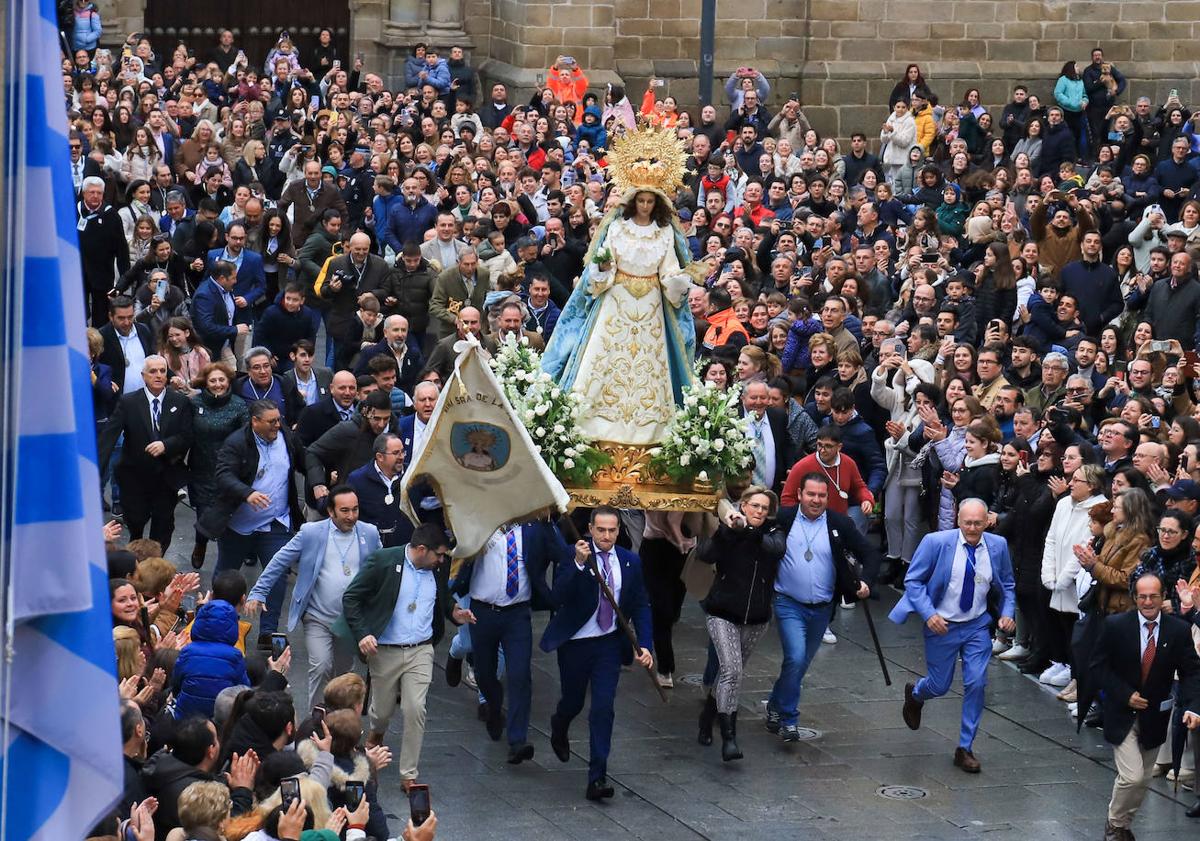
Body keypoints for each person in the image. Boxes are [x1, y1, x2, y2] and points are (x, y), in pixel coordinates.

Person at [542, 133, 698, 446]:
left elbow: (668, 268)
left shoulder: (665, 232)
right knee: (603, 363)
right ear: (632, 200)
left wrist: (677, 280)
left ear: (657, 203)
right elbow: (602, 267)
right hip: (616, 301)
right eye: (640, 200)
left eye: (650, 201)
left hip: (652, 305)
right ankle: (591, 428)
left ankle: (651, 433)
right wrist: (600, 269)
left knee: (650, 368)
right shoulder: (617, 227)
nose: (644, 205)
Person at [341, 522, 467, 790]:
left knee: (415, 708)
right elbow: (351, 597)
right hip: (385, 650)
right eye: (439, 555)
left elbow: (442, 597)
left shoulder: (437, 568)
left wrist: (454, 611)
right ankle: (377, 731)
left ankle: (408, 774)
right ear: (422, 550)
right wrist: (363, 633)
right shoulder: (384, 561)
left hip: (421, 649)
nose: (442, 560)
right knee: (382, 710)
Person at [894, 498, 1016, 773]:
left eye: (978, 523)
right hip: (942, 624)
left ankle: (965, 747)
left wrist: (1008, 613)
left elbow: (1007, 583)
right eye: (967, 523)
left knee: (976, 683)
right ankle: (916, 694)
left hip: (976, 625)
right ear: (958, 521)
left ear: (987, 522)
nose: (972, 528)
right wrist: (929, 614)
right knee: (939, 685)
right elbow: (913, 581)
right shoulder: (936, 542)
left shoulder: (997, 546)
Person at [540, 507, 653, 801]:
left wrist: (647, 646)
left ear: (619, 531)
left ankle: (597, 776)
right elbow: (558, 596)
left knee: (603, 708)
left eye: (611, 530)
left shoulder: (630, 562)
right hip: (576, 643)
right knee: (573, 701)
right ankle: (560, 723)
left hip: (608, 645)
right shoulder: (573, 554)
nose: (606, 536)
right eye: (600, 530)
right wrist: (578, 564)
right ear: (590, 529)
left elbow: (641, 603)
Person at [246, 486, 381, 709]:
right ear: (331, 511)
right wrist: (259, 591)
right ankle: (316, 720)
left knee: (342, 674)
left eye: (355, 510)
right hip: (317, 616)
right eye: (345, 511)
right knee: (320, 666)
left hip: (350, 621)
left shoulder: (369, 533)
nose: (351, 516)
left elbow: (381, 569)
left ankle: (340, 722)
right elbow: (280, 560)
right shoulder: (311, 532)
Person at [766, 473, 876, 741]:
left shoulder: (839, 523)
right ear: (800, 495)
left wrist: (865, 581)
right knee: (795, 657)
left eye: (822, 495)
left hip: (822, 609)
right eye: (811, 494)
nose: (816, 500)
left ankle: (774, 705)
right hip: (788, 602)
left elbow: (871, 553)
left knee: (799, 663)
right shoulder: (784, 519)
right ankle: (789, 720)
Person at [1092, 570, 1200, 839]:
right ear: (1134, 598)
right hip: (1122, 714)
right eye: (1142, 597)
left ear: (1163, 596)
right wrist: (1123, 694)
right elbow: (1097, 667)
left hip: (1155, 716)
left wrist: (1194, 706)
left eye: (1153, 596)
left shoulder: (1178, 630)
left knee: (1144, 779)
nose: (1148, 602)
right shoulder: (1116, 626)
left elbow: (1192, 672)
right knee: (1132, 777)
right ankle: (1115, 823)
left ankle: (1124, 826)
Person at [198, 400, 307, 650]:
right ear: (254, 422)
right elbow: (223, 475)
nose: (277, 425)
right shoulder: (236, 443)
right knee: (226, 576)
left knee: (277, 575)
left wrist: (320, 479)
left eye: (279, 420)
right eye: (271, 422)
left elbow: (305, 459)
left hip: (276, 522)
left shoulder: (286, 437)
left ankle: (267, 631)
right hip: (238, 524)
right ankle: (220, 623)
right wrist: (247, 493)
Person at [454, 522, 566, 763]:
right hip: (482, 612)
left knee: (520, 674)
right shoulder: (481, 525)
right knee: (484, 672)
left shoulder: (535, 529)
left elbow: (562, 553)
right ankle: (494, 707)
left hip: (517, 614)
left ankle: (518, 739)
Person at [696, 487, 786, 760]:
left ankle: (707, 716)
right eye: (754, 506)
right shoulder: (730, 530)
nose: (759, 511)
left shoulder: (773, 531)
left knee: (728, 675)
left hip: (756, 618)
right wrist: (727, 530)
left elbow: (774, 549)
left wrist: (748, 530)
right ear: (743, 506)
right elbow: (706, 553)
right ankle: (729, 737)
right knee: (732, 673)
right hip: (723, 613)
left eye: (764, 508)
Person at [98, 355, 194, 550]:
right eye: (153, 371)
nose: (158, 375)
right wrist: (95, 472)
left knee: (163, 526)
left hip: (166, 477)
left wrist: (166, 445)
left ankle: (155, 569)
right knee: (135, 522)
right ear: (143, 376)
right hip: (134, 475)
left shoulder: (180, 401)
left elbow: (187, 435)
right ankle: (135, 562)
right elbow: (109, 437)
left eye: (162, 371)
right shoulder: (128, 402)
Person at [347, 432, 415, 549]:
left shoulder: (413, 475)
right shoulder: (357, 480)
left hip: (404, 549)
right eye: (395, 453)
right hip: (369, 549)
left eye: (402, 451)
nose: (401, 457)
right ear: (380, 457)